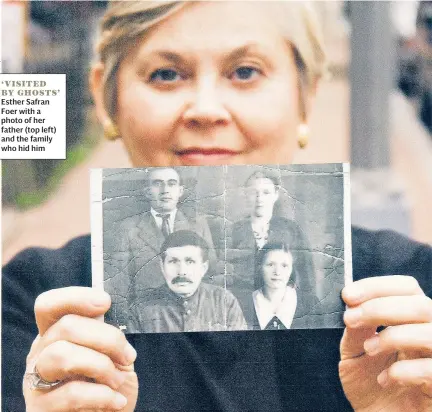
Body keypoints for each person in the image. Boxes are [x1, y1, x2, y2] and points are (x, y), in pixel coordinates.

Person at [2, 2, 432, 411]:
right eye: (166, 74)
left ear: (306, 97)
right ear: (105, 97)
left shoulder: (411, 297)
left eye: (245, 72)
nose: (205, 109)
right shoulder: (35, 304)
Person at [103, 167, 216, 327]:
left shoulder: (198, 225)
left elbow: (212, 273)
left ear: (180, 191)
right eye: (158, 184)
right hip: (148, 319)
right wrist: (130, 324)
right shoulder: (129, 229)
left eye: (171, 184)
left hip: (194, 318)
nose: (165, 190)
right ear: (147, 192)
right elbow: (118, 286)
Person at [228, 170, 315, 321]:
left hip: (283, 305)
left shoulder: (291, 230)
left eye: (266, 192)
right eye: (253, 192)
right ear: (245, 195)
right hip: (244, 307)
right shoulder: (235, 230)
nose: (259, 198)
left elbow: (306, 272)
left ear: (276, 195)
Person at [127, 230, 247, 333]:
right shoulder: (140, 310)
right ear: (162, 267)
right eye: (173, 261)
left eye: (190, 262)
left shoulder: (224, 302)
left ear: (203, 268)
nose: (182, 271)